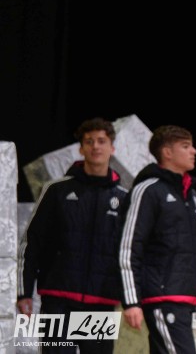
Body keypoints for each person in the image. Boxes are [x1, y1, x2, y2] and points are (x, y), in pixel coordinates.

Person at [119, 125, 196, 354]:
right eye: (185, 146)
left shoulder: (194, 199)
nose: (194, 151)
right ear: (167, 153)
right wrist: (131, 301)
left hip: (188, 299)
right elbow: (129, 247)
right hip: (162, 298)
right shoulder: (147, 191)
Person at [16, 117, 129, 353]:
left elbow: (129, 253)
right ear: (81, 148)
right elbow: (31, 243)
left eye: (101, 141)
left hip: (100, 303)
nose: (95, 146)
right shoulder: (57, 190)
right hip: (58, 299)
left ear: (112, 148)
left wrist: (131, 301)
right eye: (89, 141)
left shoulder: (123, 198)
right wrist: (23, 292)